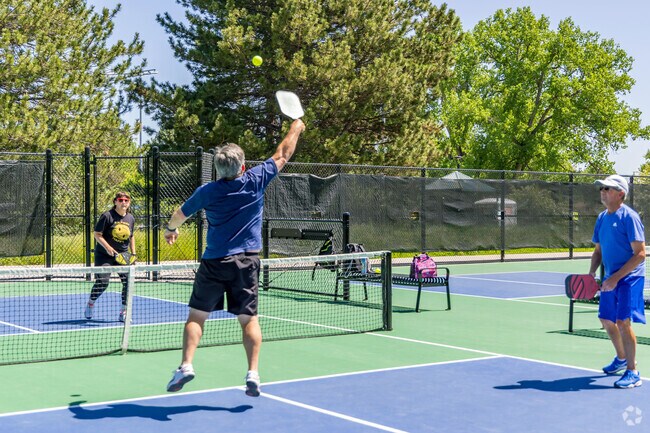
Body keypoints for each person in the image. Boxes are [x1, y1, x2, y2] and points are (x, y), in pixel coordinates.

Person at [164, 119, 305, 396]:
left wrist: (171, 230)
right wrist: (296, 127)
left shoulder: (207, 191)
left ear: (218, 169)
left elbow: (179, 214)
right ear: (242, 166)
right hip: (247, 262)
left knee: (197, 316)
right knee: (249, 320)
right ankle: (253, 373)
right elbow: (283, 154)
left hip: (215, 262)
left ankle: (186, 366)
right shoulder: (255, 179)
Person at [589, 174, 646, 388]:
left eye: (608, 189)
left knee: (623, 322)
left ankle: (633, 371)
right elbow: (598, 251)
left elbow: (640, 254)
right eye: (602, 188)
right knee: (605, 320)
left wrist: (615, 278)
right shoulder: (602, 218)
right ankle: (621, 359)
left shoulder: (629, 217)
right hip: (610, 277)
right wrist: (591, 273)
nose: (603, 191)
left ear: (620, 194)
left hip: (630, 277)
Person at [84, 192, 137, 322]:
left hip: (123, 255)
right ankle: (91, 303)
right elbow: (97, 234)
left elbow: (131, 236)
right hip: (104, 255)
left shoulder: (130, 218)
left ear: (128, 202)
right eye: (121, 200)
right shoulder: (107, 216)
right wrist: (108, 248)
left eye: (126, 200)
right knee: (103, 281)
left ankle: (123, 312)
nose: (123, 202)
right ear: (115, 202)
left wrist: (133, 254)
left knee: (128, 282)